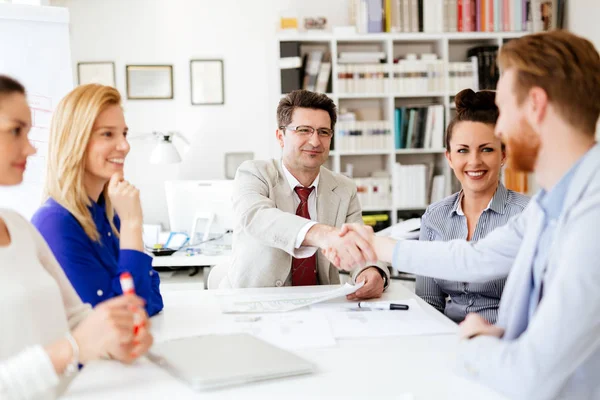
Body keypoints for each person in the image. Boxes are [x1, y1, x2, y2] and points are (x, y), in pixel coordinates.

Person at [326, 30, 600, 399]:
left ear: (535, 105)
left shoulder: (592, 216)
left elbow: (529, 375)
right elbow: (477, 257)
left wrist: (474, 342)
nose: (499, 129)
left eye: (504, 110)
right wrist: (375, 246)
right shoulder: (551, 203)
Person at [0, 76, 153, 399]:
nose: (31, 147)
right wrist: (76, 347)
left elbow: (86, 316)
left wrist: (116, 341)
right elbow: (90, 329)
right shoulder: (51, 222)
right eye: (16, 131)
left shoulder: (18, 226)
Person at [222, 90, 389, 300]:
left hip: (321, 304)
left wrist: (372, 272)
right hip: (255, 301)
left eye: (324, 132)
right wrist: (322, 234)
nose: (315, 141)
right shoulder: (253, 173)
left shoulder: (344, 188)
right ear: (280, 136)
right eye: (304, 130)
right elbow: (257, 217)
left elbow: (359, 248)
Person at [31, 84, 163, 316]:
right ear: (76, 141)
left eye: (124, 133)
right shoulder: (55, 223)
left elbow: (152, 297)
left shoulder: (109, 214)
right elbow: (123, 320)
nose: (125, 146)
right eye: (107, 134)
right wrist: (132, 223)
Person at [416, 88, 529, 324]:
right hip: (447, 339)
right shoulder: (435, 216)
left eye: (486, 149)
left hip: (506, 339)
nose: (474, 161)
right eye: (462, 151)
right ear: (449, 158)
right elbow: (428, 302)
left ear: (503, 155)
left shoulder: (527, 215)